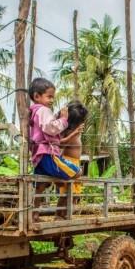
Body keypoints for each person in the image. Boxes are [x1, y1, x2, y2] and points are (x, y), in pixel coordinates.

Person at [27, 78, 80, 218]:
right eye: (49, 96)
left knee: (41, 185)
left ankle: (34, 214)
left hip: (38, 155)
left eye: (53, 97)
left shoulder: (34, 112)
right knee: (77, 172)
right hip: (48, 154)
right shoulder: (44, 110)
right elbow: (50, 128)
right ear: (37, 96)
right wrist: (63, 119)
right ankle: (61, 213)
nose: (51, 100)